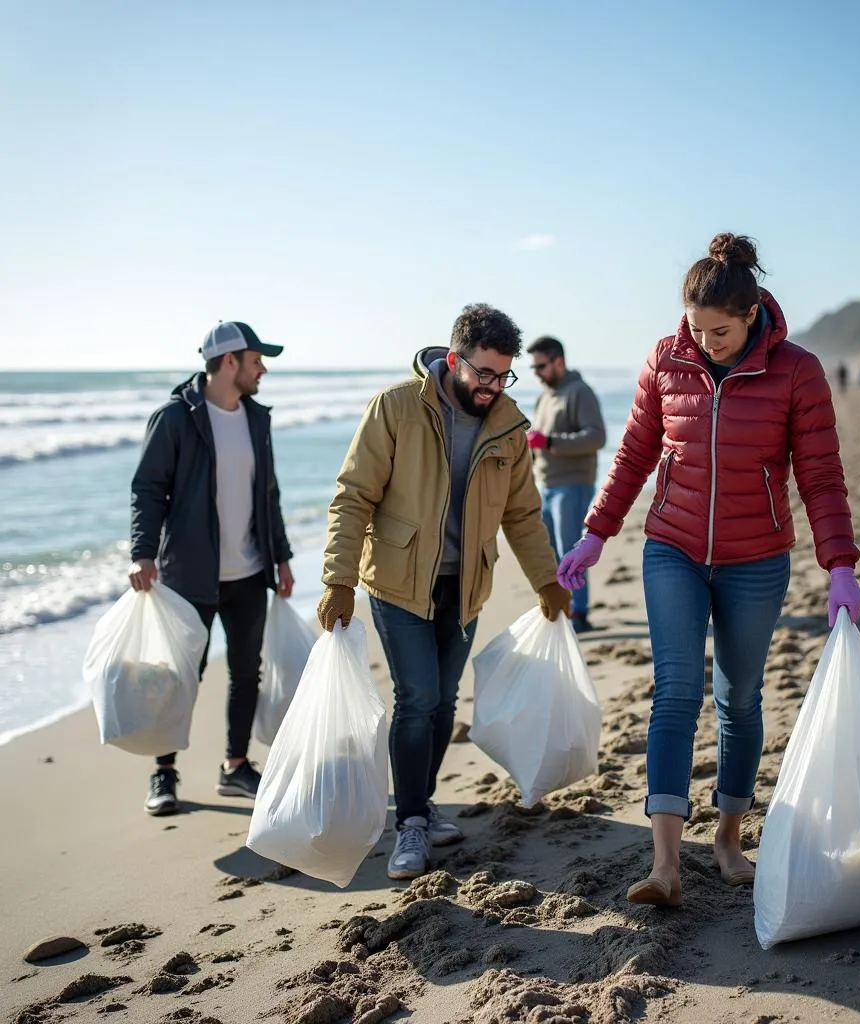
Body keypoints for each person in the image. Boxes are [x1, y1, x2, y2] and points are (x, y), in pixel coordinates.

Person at [557, 234, 860, 907]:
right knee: (673, 691)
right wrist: (593, 535)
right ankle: (665, 863)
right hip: (671, 547)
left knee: (740, 697)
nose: (705, 341)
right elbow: (635, 455)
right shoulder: (667, 359)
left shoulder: (798, 371)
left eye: (719, 330)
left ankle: (728, 837)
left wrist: (838, 564)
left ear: (752, 314)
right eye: (695, 328)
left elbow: (819, 475)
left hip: (757, 558)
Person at [317, 303, 572, 881]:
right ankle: (409, 822)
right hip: (400, 582)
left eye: (503, 374)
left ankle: (422, 803)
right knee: (418, 698)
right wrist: (339, 579)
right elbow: (353, 495)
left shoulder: (507, 423)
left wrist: (546, 580)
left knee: (444, 702)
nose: (492, 386)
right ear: (454, 360)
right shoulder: (397, 409)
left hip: (466, 583)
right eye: (483, 373)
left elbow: (523, 514)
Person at [129, 321, 295, 817]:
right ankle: (164, 772)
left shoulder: (256, 418)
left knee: (247, 672)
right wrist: (142, 553)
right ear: (230, 363)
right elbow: (147, 488)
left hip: (248, 573)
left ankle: (236, 766)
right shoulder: (176, 418)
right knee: (179, 677)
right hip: (189, 576)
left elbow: (269, 493)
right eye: (256, 360)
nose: (262, 369)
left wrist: (281, 555)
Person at [525, 336, 607, 634]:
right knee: (550, 554)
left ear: (559, 361)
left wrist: (549, 442)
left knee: (571, 552)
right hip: (545, 485)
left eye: (541, 366)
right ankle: (564, 609)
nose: (537, 372)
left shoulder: (580, 392)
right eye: (533, 367)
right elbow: (538, 443)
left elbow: (596, 437)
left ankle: (580, 614)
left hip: (573, 485)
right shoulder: (544, 397)